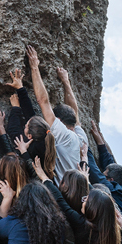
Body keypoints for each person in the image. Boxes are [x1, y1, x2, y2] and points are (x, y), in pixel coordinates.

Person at [26, 46, 88, 182]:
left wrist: (34, 67)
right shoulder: (81, 138)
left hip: (63, 192)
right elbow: (74, 112)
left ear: (58, 120)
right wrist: (66, 82)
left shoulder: (62, 134)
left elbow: (43, 101)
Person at [86, 120, 122, 226]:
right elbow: (112, 165)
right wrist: (101, 143)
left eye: (104, 174)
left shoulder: (115, 190)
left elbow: (94, 171)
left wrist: (83, 144)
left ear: (111, 180)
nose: (102, 173)